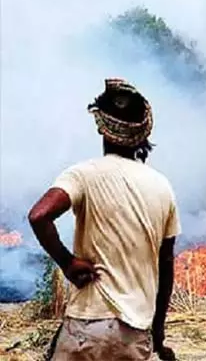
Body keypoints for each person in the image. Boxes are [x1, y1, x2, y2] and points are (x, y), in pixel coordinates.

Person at [28, 78, 180, 361]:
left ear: (101, 127)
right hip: (134, 333)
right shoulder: (162, 187)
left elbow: (39, 215)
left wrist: (67, 262)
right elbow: (166, 265)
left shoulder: (82, 175)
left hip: (85, 328)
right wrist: (158, 333)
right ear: (143, 132)